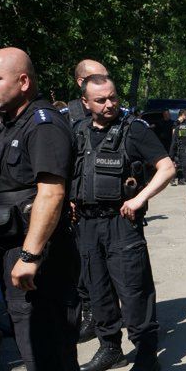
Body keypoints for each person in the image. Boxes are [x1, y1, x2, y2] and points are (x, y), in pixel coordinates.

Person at [0, 48, 83, 371]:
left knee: (40, 342)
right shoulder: (10, 123)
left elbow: (51, 193)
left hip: (34, 251)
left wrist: (30, 255)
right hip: (17, 246)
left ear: (23, 81)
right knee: (51, 336)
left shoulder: (43, 125)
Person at [71, 75, 175, 371]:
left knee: (134, 288)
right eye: (101, 100)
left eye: (113, 98)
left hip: (121, 222)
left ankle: (145, 351)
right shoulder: (76, 132)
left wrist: (140, 198)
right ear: (85, 103)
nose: (109, 105)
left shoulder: (135, 130)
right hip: (86, 224)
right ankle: (110, 348)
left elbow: (167, 168)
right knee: (97, 287)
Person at [61, 59, 109, 344]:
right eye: (96, 77)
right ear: (80, 82)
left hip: (108, 203)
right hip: (76, 203)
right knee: (83, 265)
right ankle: (91, 314)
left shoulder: (116, 111)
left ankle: (107, 314)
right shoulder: (67, 115)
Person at [61, 59, 108, 128]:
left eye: (107, 78)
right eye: (99, 79)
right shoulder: (64, 118)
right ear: (81, 82)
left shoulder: (122, 115)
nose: (107, 83)